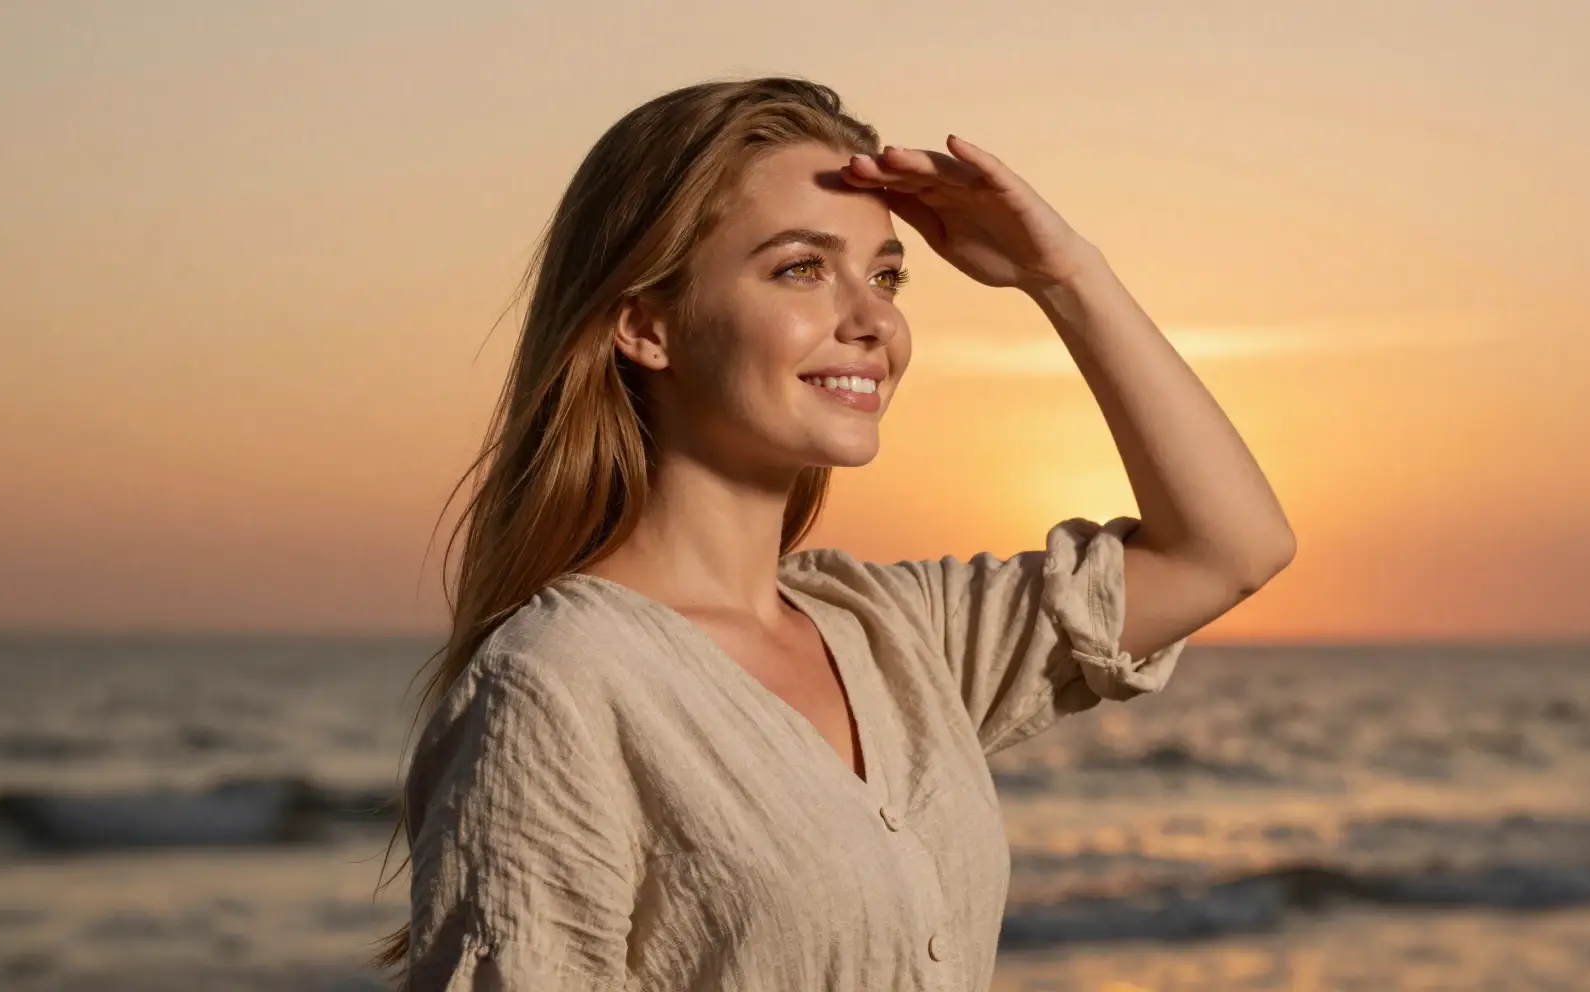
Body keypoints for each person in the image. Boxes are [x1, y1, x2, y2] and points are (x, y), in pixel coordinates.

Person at [370, 76, 1295, 991]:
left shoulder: (893, 631)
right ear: (646, 327)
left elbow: (1227, 550)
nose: (874, 321)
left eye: (886, 275)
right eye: (802, 269)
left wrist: (1066, 276)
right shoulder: (556, 686)